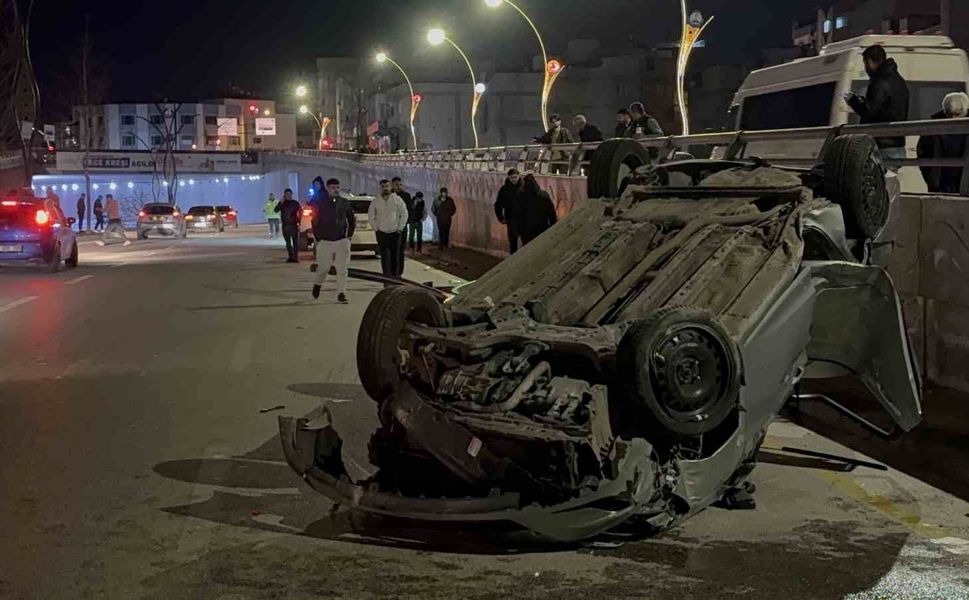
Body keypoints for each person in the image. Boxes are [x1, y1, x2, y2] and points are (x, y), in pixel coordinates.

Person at [845, 45, 910, 160]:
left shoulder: (879, 82)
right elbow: (885, 107)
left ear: (870, 62)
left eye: (865, 63)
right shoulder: (899, 80)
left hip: (881, 146)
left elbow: (870, 111)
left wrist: (853, 101)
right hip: (897, 143)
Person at [311, 178, 356, 304]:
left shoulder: (345, 203)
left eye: (337, 187)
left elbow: (351, 220)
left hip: (342, 240)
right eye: (333, 188)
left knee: (342, 269)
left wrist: (349, 236)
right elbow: (314, 221)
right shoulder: (320, 203)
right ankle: (318, 284)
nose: (335, 190)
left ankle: (341, 293)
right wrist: (318, 238)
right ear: (328, 188)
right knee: (324, 268)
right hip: (325, 241)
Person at [917, 92, 969, 194]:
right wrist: (931, 178)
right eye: (949, 114)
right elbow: (923, 151)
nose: (953, 119)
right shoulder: (932, 126)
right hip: (942, 182)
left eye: (957, 114)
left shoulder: (933, 125)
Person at [368, 179, 409, 279]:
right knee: (385, 256)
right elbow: (371, 215)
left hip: (395, 232)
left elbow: (404, 213)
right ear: (380, 188)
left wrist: (400, 228)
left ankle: (396, 276)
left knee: (395, 255)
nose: (385, 188)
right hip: (382, 233)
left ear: (390, 187)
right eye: (383, 186)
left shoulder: (397, 199)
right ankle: (386, 277)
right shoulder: (376, 201)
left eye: (387, 186)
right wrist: (376, 228)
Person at [518, 174, 557, 245]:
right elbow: (552, 213)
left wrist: (518, 230)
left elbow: (518, 214)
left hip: (526, 231)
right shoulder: (544, 195)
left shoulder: (521, 196)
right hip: (542, 229)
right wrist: (553, 226)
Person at [494, 168, 523, 253]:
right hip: (511, 219)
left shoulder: (524, 187)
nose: (514, 179)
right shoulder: (504, 189)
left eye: (515, 177)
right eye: (511, 178)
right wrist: (501, 218)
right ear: (508, 178)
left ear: (519, 176)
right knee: (513, 242)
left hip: (523, 218)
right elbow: (498, 205)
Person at [274, 188, 302, 263]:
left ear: (291, 195)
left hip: (293, 225)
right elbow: (276, 210)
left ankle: (295, 257)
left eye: (290, 194)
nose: (288, 196)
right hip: (285, 225)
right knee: (288, 242)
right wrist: (281, 202)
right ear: (284, 195)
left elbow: (300, 212)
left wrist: (299, 222)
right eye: (287, 194)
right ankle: (290, 257)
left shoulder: (295, 203)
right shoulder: (283, 204)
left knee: (295, 242)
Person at [391, 177, 412, 275]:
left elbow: (409, 211)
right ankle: (391, 272)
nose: (399, 187)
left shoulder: (406, 196)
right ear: (392, 185)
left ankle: (399, 273)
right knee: (391, 251)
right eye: (396, 185)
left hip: (402, 227)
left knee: (400, 251)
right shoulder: (388, 196)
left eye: (400, 185)